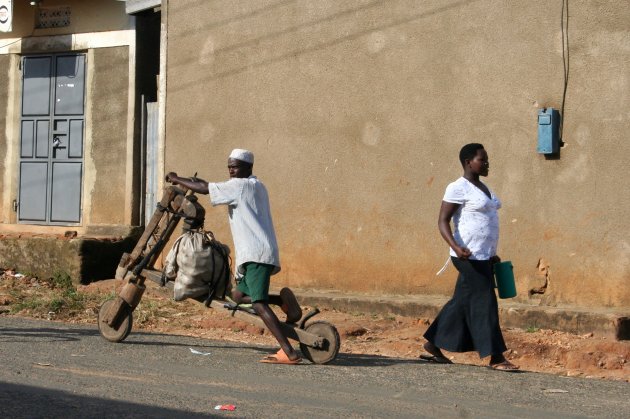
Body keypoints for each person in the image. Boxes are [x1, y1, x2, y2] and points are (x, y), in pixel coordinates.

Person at [166, 148, 303, 364]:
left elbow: (205, 188)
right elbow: (208, 185)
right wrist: (191, 181)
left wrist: (175, 178)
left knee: (258, 304)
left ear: (248, 167)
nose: (231, 169)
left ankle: (288, 351)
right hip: (258, 252)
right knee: (238, 297)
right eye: (229, 166)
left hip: (256, 254)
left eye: (235, 166)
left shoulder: (238, 187)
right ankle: (283, 302)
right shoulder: (256, 185)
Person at [421, 143, 519, 371]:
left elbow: (486, 223)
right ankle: (496, 357)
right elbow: (442, 221)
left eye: (486, 160)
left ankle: (433, 343)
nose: (486, 164)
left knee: (462, 301)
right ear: (468, 162)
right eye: (482, 160)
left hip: (483, 256)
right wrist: (455, 246)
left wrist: (492, 254)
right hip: (466, 255)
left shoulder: (484, 188)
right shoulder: (457, 188)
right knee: (485, 300)